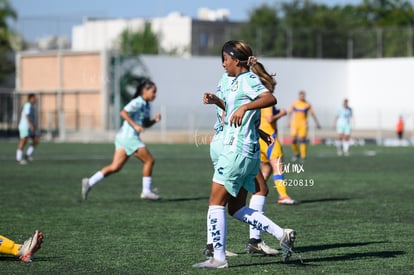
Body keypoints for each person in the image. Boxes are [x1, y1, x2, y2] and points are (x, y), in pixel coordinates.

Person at [193, 40, 296, 269]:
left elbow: (270, 98)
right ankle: (282, 234)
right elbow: (232, 110)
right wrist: (216, 101)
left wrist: (244, 108)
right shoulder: (233, 80)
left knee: (215, 203)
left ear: (236, 60)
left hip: (235, 150)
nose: (222, 64)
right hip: (239, 150)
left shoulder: (247, 79)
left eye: (225, 60)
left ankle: (218, 258)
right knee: (236, 208)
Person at [202, 73, 279, 258]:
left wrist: (258, 130)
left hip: (221, 142)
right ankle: (258, 239)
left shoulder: (227, 80)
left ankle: (213, 245)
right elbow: (230, 113)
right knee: (258, 190)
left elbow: (228, 110)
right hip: (233, 145)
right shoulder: (242, 82)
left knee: (220, 198)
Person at [81, 79, 161, 201]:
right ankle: (146, 191)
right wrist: (135, 125)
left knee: (115, 167)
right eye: (153, 91)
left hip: (123, 138)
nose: (155, 94)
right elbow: (123, 112)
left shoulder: (146, 105)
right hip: (129, 138)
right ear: (145, 90)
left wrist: (154, 120)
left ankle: (90, 182)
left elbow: (144, 124)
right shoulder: (138, 102)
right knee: (149, 160)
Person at [260, 105, 297, 205]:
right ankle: (283, 196)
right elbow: (269, 118)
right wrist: (282, 113)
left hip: (260, 138)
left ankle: (256, 194)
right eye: (273, 87)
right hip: (269, 138)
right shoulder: (267, 100)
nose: (274, 88)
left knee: (266, 170)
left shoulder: (256, 99)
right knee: (278, 168)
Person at [287, 90, 321, 161]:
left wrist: (317, 123)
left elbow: (312, 114)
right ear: (299, 96)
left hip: (303, 125)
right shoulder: (295, 103)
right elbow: (290, 113)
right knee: (293, 140)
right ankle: (296, 154)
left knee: (302, 139)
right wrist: (288, 121)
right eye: (301, 95)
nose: (302, 96)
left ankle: (303, 156)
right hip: (295, 124)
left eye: (303, 95)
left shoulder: (307, 104)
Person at [16, 93, 39, 165]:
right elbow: (26, 115)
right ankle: (19, 158)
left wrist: (33, 125)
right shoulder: (27, 105)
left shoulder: (31, 106)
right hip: (24, 126)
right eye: (34, 98)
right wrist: (30, 125)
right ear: (30, 98)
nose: (35, 100)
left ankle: (27, 155)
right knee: (23, 141)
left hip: (29, 126)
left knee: (36, 140)